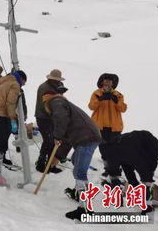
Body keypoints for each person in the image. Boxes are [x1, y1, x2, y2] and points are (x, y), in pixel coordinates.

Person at [43, 90, 101, 221]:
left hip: (86, 139)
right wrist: (57, 156)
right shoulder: (64, 105)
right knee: (76, 161)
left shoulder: (56, 102)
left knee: (80, 172)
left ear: (47, 99)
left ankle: (84, 208)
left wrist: (57, 136)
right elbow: (67, 140)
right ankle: (77, 192)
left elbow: (60, 119)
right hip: (88, 137)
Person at [0, 70, 27, 186]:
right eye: (23, 83)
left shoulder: (2, 81)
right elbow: (10, 103)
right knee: (1, 145)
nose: (22, 85)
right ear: (21, 79)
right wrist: (13, 119)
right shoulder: (14, 84)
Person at [105, 130, 158, 213]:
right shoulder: (140, 153)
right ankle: (147, 206)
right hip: (127, 149)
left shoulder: (147, 150)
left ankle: (137, 195)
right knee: (146, 179)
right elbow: (144, 168)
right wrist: (148, 178)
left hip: (123, 147)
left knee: (130, 171)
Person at [88, 73, 127, 176]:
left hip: (115, 128)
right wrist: (100, 99)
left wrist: (116, 101)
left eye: (109, 82)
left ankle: (115, 168)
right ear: (101, 83)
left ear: (113, 84)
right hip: (100, 127)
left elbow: (123, 109)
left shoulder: (118, 95)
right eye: (105, 82)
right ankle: (107, 168)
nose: (107, 85)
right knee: (104, 149)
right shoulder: (96, 94)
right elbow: (91, 107)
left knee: (115, 149)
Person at [34, 69, 65, 174]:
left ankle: (50, 165)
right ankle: (41, 164)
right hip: (43, 117)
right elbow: (47, 106)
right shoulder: (45, 88)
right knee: (48, 141)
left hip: (51, 117)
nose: (57, 82)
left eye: (58, 80)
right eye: (55, 80)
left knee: (53, 141)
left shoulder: (58, 86)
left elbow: (59, 102)